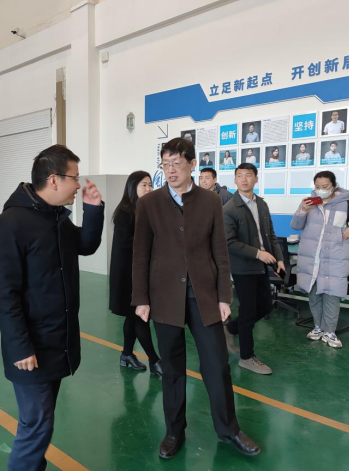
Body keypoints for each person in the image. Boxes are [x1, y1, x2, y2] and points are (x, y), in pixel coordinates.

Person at [132, 137, 261, 461]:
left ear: (192, 164)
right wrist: (141, 298)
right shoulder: (149, 204)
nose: (170, 170)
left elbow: (220, 251)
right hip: (164, 297)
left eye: (176, 164)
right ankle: (174, 431)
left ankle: (229, 429)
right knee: (172, 368)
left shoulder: (210, 201)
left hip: (203, 296)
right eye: (165, 164)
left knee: (216, 364)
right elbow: (140, 254)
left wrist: (223, 296)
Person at [0, 145, 104, 471]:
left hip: (57, 340)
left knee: (40, 420)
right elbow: (5, 295)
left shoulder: (55, 218)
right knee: (37, 423)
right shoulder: (11, 225)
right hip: (30, 347)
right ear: (54, 180)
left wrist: (93, 209)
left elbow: (85, 245)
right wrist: (20, 347)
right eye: (74, 178)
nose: (78, 184)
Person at [291, 171, 349, 348]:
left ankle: (330, 332)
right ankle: (318, 327)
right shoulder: (309, 203)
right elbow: (295, 225)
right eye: (317, 187)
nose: (321, 190)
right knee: (314, 295)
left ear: (333, 186)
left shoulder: (346, 204)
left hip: (334, 257)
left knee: (332, 296)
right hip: (312, 258)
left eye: (325, 186)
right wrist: (302, 210)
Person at [223, 163, 284, 375]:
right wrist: (258, 253)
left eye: (248, 175)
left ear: (256, 178)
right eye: (239, 175)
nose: (244, 179)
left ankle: (230, 329)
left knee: (265, 306)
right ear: (235, 180)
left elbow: (270, 235)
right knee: (248, 312)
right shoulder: (229, 208)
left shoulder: (262, 204)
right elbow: (229, 242)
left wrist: (279, 259)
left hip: (262, 266)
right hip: (243, 267)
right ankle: (246, 357)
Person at [110, 171, 162, 376]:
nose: (148, 189)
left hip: (142, 273)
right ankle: (155, 361)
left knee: (133, 317)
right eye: (143, 185)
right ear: (133, 188)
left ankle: (126, 354)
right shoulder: (124, 212)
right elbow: (128, 245)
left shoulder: (147, 209)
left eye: (150, 185)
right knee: (140, 317)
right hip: (128, 275)